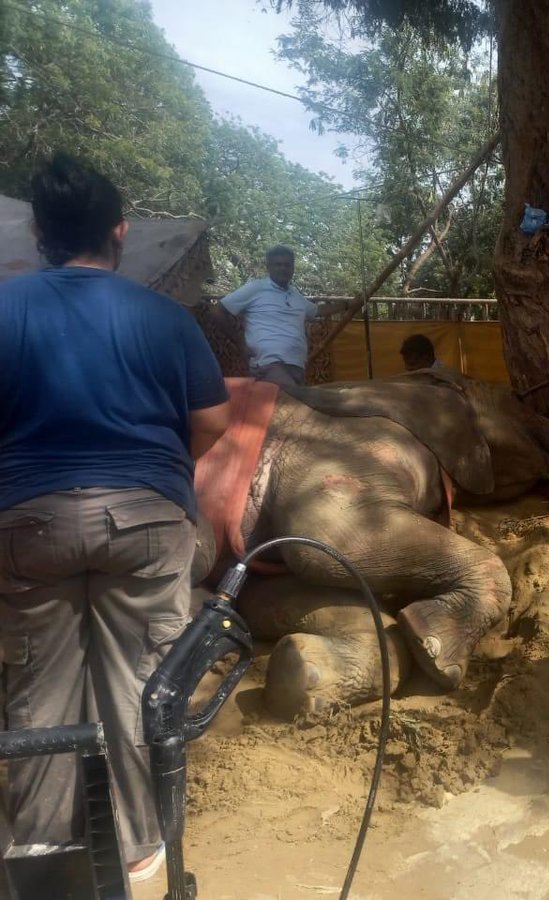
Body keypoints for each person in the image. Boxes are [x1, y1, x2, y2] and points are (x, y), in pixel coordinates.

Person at [0, 154, 230, 883]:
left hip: (26, 522)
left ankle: (44, 852)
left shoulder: (4, 309)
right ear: (120, 232)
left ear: (39, 232)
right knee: (140, 680)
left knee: (40, 681)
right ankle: (136, 847)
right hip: (146, 519)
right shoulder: (162, 316)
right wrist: (155, 476)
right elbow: (213, 421)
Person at [217, 245, 345, 386]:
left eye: (287, 265)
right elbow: (218, 310)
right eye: (278, 264)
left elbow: (317, 311)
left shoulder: (295, 294)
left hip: (296, 364)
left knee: (295, 405)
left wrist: (347, 305)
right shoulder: (256, 288)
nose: (283, 269)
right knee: (297, 400)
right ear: (269, 267)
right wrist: (240, 343)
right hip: (268, 364)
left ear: (293, 267)